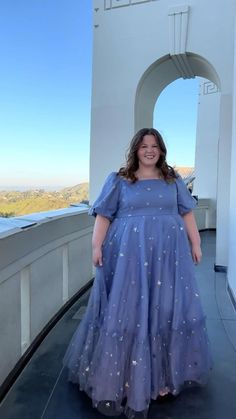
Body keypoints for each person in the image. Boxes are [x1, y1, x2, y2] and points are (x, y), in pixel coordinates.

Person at [63, 128, 212, 418]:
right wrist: (96, 247)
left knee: (166, 309)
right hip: (129, 257)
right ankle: (129, 378)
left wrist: (195, 242)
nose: (149, 150)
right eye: (144, 146)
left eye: (155, 146)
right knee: (129, 312)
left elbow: (187, 213)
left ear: (161, 150)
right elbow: (104, 215)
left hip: (169, 257)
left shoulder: (173, 179)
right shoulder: (119, 180)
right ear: (136, 149)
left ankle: (162, 378)